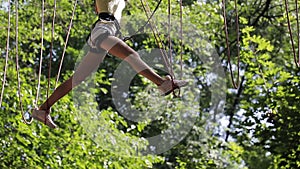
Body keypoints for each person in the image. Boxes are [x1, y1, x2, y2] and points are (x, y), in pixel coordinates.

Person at [32, 0, 188, 128]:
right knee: (131, 55)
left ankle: (43, 109)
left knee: (78, 79)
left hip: (103, 34)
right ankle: (161, 83)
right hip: (103, 32)